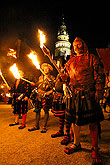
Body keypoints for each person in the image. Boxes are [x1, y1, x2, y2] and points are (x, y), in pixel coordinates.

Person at [63, 37, 105, 165]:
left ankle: (95, 148)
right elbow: (66, 77)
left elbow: (99, 74)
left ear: (84, 45)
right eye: (75, 44)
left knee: (92, 121)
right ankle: (76, 143)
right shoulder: (69, 62)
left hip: (89, 93)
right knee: (75, 121)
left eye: (79, 43)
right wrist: (64, 79)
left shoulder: (92, 58)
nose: (77, 46)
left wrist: (99, 90)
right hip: (74, 94)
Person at [51, 57, 72, 145]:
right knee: (61, 115)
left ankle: (68, 134)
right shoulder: (58, 74)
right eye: (58, 63)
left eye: (60, 63)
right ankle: (61, 130)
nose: (58, 65)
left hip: (66, 96)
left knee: (67, 116)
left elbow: (68, 83)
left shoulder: (68, 72)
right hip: (58, 96)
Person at [28, 63, 55, 133]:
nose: (45, 69)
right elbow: (38, 85)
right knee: (37, 111)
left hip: (46, 97)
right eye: (44, 68)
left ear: (49, 70)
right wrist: (34, 84)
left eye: (47, 68)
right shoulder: (40, 77)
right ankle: (36, 125)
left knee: (46, 111)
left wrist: (49, 92)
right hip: (39, 96)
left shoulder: (52, 78)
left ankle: (44, 127)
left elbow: (54, 87)